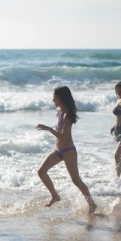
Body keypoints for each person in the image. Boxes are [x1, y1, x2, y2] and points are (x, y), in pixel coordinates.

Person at [36, 86, 97, 214]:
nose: (53, 100)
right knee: (41, 171)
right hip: (58, 151)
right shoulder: (58, 111)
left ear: (62, 98)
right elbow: (60, 129)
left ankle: (92, 204)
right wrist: (53, 128)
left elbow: (64, 137)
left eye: (55, 98)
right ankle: (55, 196)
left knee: (76, 180)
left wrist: (49, 129)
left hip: (69, 151)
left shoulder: (68, 115)